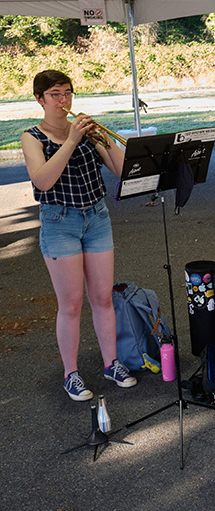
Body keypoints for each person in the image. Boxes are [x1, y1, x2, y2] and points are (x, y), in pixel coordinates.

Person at [21, 70, 136, 401]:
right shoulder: (32, 137)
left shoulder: (87, 132)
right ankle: (71, 374)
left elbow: (121, 170)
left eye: (68, 93)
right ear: (39, 99)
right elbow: (43, 181)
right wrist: (71, 140)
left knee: (102, 297)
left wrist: (105, 139)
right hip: (60, 221)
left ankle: (111, 363)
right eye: (55, 94)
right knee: (70, 304)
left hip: (96, 216)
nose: (63, 101)